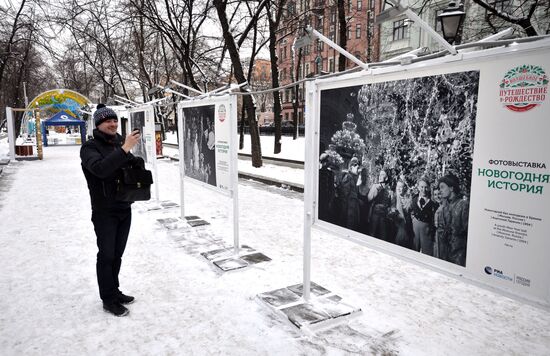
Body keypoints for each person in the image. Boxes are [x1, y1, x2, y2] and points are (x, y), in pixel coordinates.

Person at [80, 104, 144, 317]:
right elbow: (100, 169)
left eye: (115, 121)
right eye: (108, 121)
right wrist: (125, 149)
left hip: (124, 207)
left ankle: (114, 291)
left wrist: (137, 161)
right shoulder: (89, 148)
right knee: (106, 255)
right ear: (98, 124)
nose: (113, 124)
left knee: (117, 254)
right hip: (104, 211)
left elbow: (129, 164)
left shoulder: (118, 142)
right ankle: (108, 299)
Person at [434, 174, 469, 266]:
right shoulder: (444, 207)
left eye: (442, 187)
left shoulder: (463, 205)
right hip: (445, 254)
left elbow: (468, 231)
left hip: (459, 255)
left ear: (451, 188)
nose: (440, 190)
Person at [410, 177, 439, 256]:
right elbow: (410, 210)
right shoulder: (414, 199)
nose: (424, 189)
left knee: (427, 252)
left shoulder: (433, 203)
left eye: (426, 187)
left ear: (429, 188)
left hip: (426, 229)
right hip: (415, 228)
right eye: (422, 187)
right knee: (414, 250)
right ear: (418, 187)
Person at [367, 168, 394, 243]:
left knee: (383, 237)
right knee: (372, 234)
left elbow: (391, 204)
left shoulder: (389, 190)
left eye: (382, 175)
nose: (379, 176)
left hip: (384, 216)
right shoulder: (375, 186)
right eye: (379, 174)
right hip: (375, 213)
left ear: (386, 178)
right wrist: (376, 193)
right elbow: (369, 199)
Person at [337, 157, 361, 230]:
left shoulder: (354, 177)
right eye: (356, 165)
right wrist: (344, 209)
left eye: (358, 165)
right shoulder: (348, 177)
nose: (358, 167)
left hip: (352, 206)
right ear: (351, 167)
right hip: (349, 206)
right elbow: (344, 194)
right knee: (348, 225)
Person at [392, 180, 414, 248]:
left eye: (401, 187)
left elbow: (411, 213)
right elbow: (391, 208)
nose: (398, 188)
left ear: (404, 188)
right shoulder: (393, 197)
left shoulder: (409, 199)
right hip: (396, 226)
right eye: (397, 186)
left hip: (407, 226)